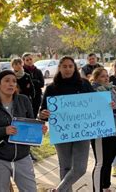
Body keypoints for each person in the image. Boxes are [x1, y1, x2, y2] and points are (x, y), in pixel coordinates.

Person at [0, 70, 46, 191]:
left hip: (22, 157)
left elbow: (30, 123)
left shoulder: (24, 100)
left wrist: (38, 129)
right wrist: (4, 131)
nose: (11, 84)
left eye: (14, 81)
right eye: (7, 81)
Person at [39, 56, 95, 192]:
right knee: (65, 166)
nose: (68, 69)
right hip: (61, 132)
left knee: (80, 168)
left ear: (75, 67)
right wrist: (43, 114)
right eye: (65, 66)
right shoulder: (52, 88)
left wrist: (107, 106)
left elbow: (95, 104)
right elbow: (42, 111)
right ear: (59, 68)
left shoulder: (84, 84)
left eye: (70, 66)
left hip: (82, 131)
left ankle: (58, 190)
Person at [89, 67, 116, 192]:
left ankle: (105, 185)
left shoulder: (112, 88)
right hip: (102, 131)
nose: (106, 78)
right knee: (101, 162)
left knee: (109, 160)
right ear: (96, 78)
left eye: (107, 75)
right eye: (103, 76)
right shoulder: (93, 90)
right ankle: (97, 189)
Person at [22, 53, 45, 118]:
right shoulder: (22, 72)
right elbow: (23, 85)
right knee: (26, 116)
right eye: (27, 60)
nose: (29, 61)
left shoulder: (38, 71)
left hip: (37, 97)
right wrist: (36, 81)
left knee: (34, 115)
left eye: (30, 59)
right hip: (26, 97)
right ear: (23, 61)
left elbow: (42, 84)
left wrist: (32, 81)